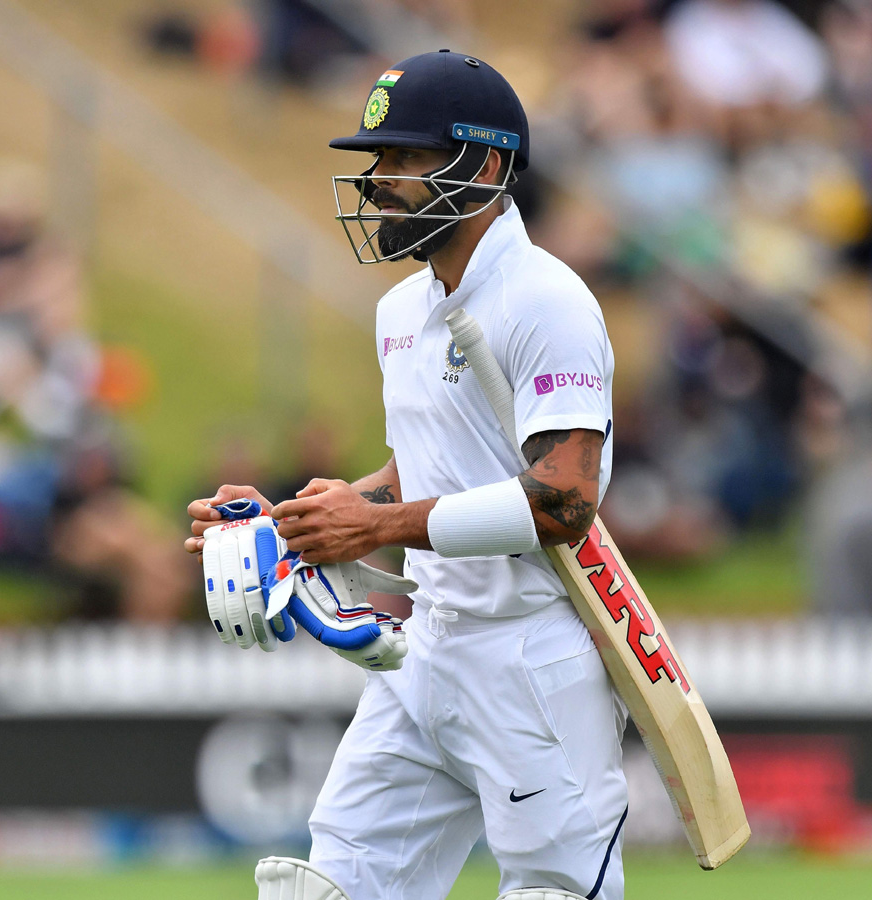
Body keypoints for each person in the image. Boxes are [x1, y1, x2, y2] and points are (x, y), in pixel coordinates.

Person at [187, 50, 627, 900]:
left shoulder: (548, 300)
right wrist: (293, 522)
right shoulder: (403, 309)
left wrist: (378, 526)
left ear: (487, 165)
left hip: (531, 661)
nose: (379, 181)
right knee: (328, 887)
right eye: (376, 160)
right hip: (425, 651)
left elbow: (567, 497)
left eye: (404, 158)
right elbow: (423, 464)